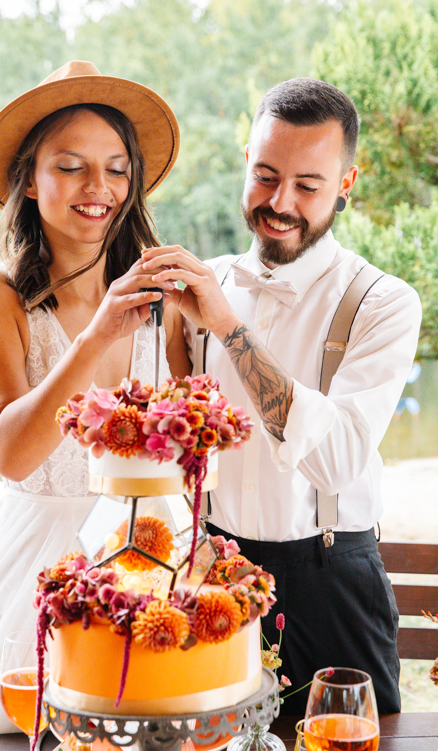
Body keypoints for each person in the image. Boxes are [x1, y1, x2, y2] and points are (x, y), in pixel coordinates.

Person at [0, 60, 190, 735]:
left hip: (151, 563)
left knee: (151, 746)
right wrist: (94, 337)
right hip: (34, 575)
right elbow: (10, 450)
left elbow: (193, 444)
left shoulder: (164, 297)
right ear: (30, 180)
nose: (98, 188)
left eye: (117, 168)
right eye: (70, 166)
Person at [140, 78, 422, 715]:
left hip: (329, 585)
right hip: (211, 573)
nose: (280, 202)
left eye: (308, 185)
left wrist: (227, 328)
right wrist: (179, 343)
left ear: (346, 185)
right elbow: (178, 443)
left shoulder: (383, 302)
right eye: (266, 176)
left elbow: (337, 459)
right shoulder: (205, 283)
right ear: (246, 159)